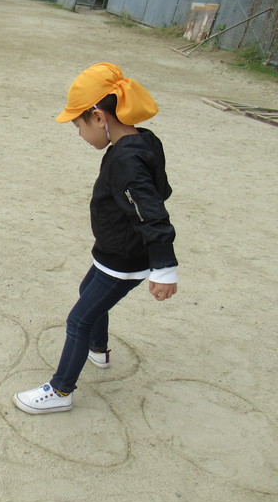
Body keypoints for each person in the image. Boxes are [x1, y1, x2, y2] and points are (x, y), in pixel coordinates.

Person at [14, 62, 178, 415]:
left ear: (99, 117)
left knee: (78, 320)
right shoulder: (143, 140)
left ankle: (60, 391)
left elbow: (151, 208)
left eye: (79, 125)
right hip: (112, 252)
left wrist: (164, 266)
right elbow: (161, 188)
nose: (79, 133)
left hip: (124, 259)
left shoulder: (126, 161)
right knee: (87, 292)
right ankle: (98, 350)